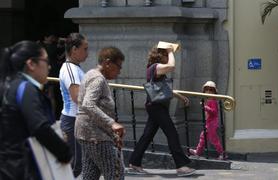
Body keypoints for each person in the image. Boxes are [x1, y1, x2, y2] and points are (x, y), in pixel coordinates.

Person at [0, 41, 72, 180]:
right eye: (46, 61)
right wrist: (64, 152)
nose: (49, 66)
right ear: (31, 64)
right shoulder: (26, 89)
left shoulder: (8, 86)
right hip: (25, 169)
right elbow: (39, 126)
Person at [128, 45, 195, 177]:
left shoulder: (154, 69)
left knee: (147, 135)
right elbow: (172, 66)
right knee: (172, 133)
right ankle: (181, 165)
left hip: (156, 106)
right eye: (166, 55)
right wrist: (170, 51)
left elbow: (163, 88)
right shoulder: (156, 67)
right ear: (161, 55)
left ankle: (134, 162)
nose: (168, 57)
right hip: (157, 107)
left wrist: (179, 96)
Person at [75, 47, 126, 180]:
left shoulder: (91, 74)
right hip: (95, 135)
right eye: (119, 66)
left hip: (87, 133)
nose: (119, 71)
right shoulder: (98, 79)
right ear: (107, 63)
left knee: (90, 174)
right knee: (116, 174)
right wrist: (112, 123)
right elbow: (88, 104)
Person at [59, 33, 88, 177]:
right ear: (74, 49)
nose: (87, 53)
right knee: (74, 167)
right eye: (85, 49)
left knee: (77, 165)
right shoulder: (70, 69)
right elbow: (77, 97)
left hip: (76, 121)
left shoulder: (75, 68)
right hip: (72, 121)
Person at [188, 81, 226, 160]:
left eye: (210, 90)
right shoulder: (209, 101)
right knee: (203, 137)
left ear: (214, 92)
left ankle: (222, 154)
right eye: (207, 90)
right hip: (209, 122)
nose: (208, 92)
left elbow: (214, 112)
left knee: (214, 139)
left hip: (212, 123)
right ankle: (198, 152)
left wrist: (205, 107)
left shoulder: (213, 101)